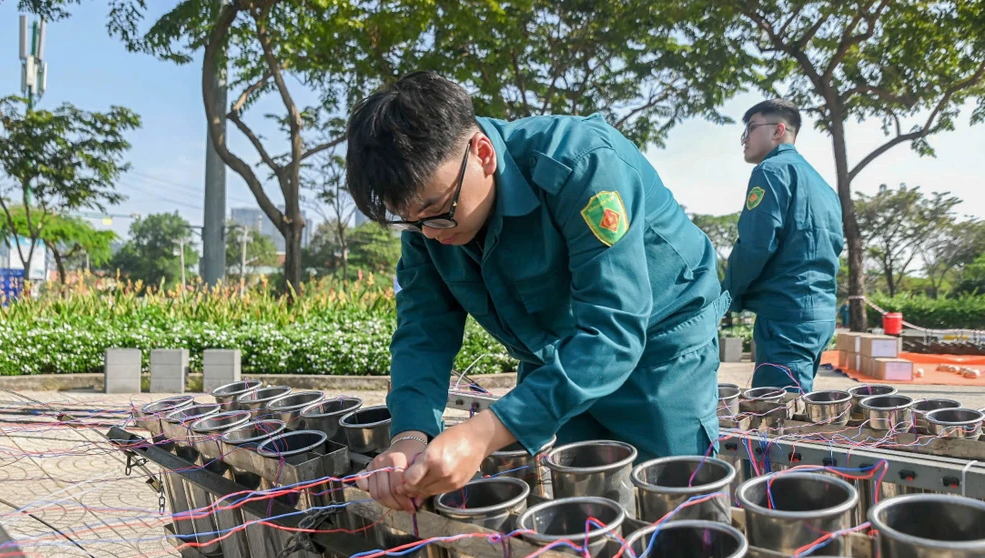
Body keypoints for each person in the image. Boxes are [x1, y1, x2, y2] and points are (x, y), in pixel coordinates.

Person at [346, 71, 728, 512]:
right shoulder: (428, 220)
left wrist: (484, 433)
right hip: (556, 351)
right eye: (409, 221)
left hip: (659, 344)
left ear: (483, 154)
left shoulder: (580, 164)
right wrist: (410, 434)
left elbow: (614, 330)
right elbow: (422, 329)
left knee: (677, 501)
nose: (428, 235)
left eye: (436, 212)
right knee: (586, 504)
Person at [723, 99, 843, 393]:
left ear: (778, 130)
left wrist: (726, 295)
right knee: (797, 409)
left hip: (785, 319)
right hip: (819, 315)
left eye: (751, 128)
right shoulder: (823, 186)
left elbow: (755, 245)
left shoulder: (772, 171)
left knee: (776, 422)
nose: (744, 139)